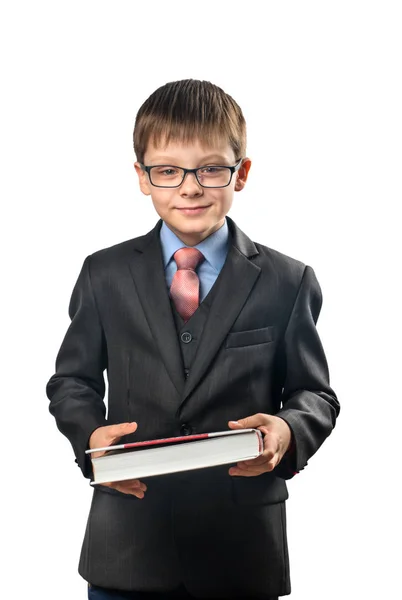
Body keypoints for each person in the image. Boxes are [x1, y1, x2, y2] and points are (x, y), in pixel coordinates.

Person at [46, 78, 340, 600]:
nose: (190, 187)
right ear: (142, 177)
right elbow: (72, 381)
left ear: (241, 172)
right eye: (168, 171)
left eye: (210, 168)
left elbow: (314, 395)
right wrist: (90, 440)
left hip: (241, 550)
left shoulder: (287, 280)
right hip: (128, 544)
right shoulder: (103, 273)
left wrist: (288, 431)